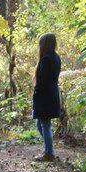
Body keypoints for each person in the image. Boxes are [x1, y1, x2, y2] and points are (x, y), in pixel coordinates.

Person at [32, 33, 61, 162]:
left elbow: (42, 81)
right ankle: (48, 150)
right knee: (41, 123)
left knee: (44, 124)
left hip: (45, 95)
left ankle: (49, 153)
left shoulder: (46, 59)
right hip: (52, 93)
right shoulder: (56, 57)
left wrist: (36, 96)